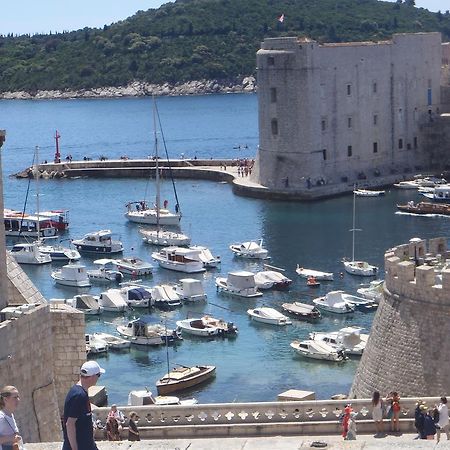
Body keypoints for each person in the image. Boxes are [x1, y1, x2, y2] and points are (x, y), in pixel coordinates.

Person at [62, 360, 105, 450]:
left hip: (87, 444)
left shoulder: (80, 392)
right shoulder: (79, 396)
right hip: (80, 446)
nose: (98, 378)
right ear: (92, 377)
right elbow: (70, 424)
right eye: (98, 375)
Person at [0, 385, 23, 450]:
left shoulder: (10, 414)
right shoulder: (1, 418)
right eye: (15, 397)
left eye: (18, 397)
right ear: (5, 399)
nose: (18, 400)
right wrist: (10, 438)